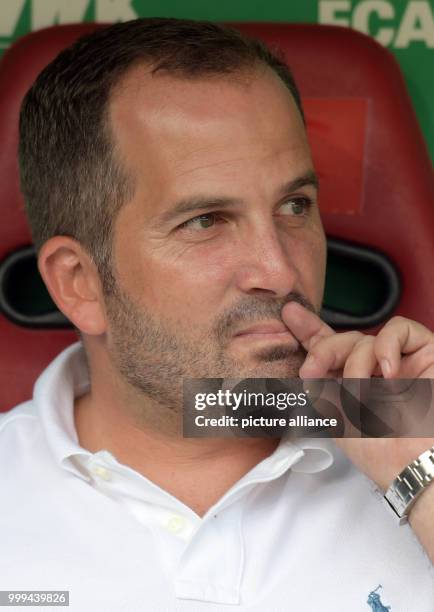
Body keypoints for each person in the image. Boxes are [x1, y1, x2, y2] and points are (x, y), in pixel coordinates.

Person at [1, 17, 433, 611]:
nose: (280, 271)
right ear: (80, 284)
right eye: (205, 221)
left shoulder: (415, 455)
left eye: (294, 205)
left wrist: (419, 471)